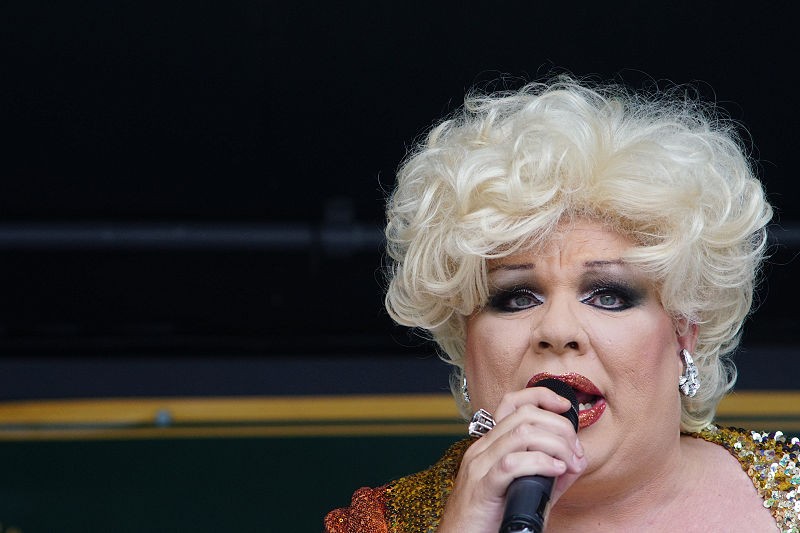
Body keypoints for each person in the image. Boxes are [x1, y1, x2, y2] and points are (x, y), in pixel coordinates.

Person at [324, 76, 799, 532]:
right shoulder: (379, 524)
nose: (557, 329)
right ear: (465, 340)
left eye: (608, 295)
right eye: (517, 297)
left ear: (684, 333)